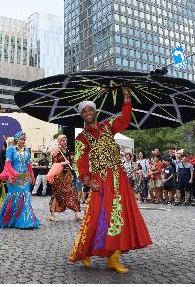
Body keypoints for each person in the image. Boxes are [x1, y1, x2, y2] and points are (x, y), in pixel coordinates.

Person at [69, 89, 152, 274]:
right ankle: (85, 251)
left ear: (95, 112)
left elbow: (125, 118)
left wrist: (127, 99)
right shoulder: (82, 138)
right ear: (81, 115)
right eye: (84, 111)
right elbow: (80, 163)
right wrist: (88, 181)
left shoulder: (108, 126)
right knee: (98, 216)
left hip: (119, 177)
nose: (88, 113)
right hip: (101, 180)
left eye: (90, 110)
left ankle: (113, 258)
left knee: (120, 215)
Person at [0, 132, 39, 229]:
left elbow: (29, 165)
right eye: (21, 139)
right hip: (14, 178)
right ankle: (11, 219)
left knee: (26, 198)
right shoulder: (11, 150)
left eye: (24, 139)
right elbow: (7, 165)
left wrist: (32, 177)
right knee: (14, 198)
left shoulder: (27, 150)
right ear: (16, 140)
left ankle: (26, 220)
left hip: (25, 178)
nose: (23, 141)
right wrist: (9, 177)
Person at [48, 135, 82, 222]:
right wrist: (63, 163)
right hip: (59, 177)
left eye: (66, 140)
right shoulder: (56, 151)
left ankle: (77, 214)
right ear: (59, 142)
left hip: (68, 176)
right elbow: (54, 164)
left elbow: (71, 162)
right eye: (63, 140)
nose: (65, 142)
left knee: (72, 194)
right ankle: (52, 215)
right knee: (56, 195)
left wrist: (72, 162)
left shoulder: (67, 151)